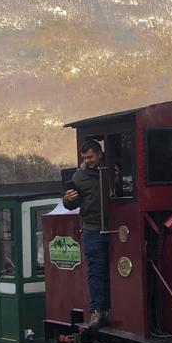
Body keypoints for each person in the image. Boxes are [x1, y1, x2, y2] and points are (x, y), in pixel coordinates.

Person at [62, 139, 110, 328]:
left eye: (90, 156)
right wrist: (67, 199)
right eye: (85, 158)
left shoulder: (113, 170)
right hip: (93, 228)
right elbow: (70, 204)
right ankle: (97, 311)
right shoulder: (79, 177)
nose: (88, 160)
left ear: (99, 154)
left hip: (117, 226)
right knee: (97, 270)